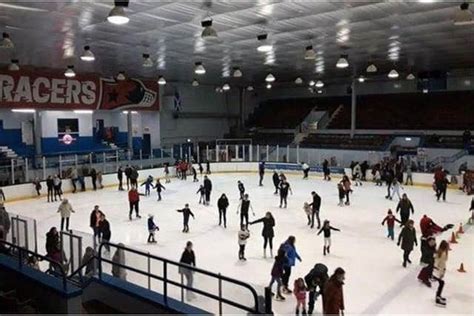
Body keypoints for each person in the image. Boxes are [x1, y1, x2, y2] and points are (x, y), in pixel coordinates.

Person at [433, 240, 449, 307]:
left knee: (441, 284)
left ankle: (438, 296)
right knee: (441, 283)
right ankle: (437, 298)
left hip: (436, 270)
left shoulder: (439, 252)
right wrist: (441, 272)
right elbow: (440, 263)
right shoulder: (442, 253)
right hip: (438, 271)